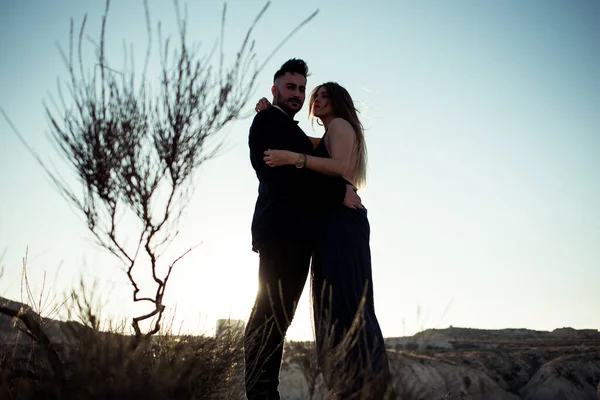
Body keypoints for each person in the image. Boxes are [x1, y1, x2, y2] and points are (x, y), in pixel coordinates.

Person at [259, 82, 393, 398]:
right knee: (335, 304)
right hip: (332, 222)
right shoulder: (330, 133)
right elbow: (303, 143)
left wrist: (296, 159)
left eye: (324, 95)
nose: (317, 100)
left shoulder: (342, 125)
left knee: (347, 304)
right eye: (315, 95)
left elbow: (339, 167)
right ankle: (352, 384)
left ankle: (364, 385)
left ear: (338, 101)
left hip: (343, 222)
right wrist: (273, 116)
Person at [245, 59, 362, 400]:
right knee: (270, 318)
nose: (297, 94)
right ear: (275, 88)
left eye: (300, 88)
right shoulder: (267, 121)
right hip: (282, 233)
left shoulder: (290, 129)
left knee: (277, 319)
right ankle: (262, 395)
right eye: (290, 87)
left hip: (302, 236)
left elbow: (315, 158)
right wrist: (337, 191)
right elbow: (281, 178)